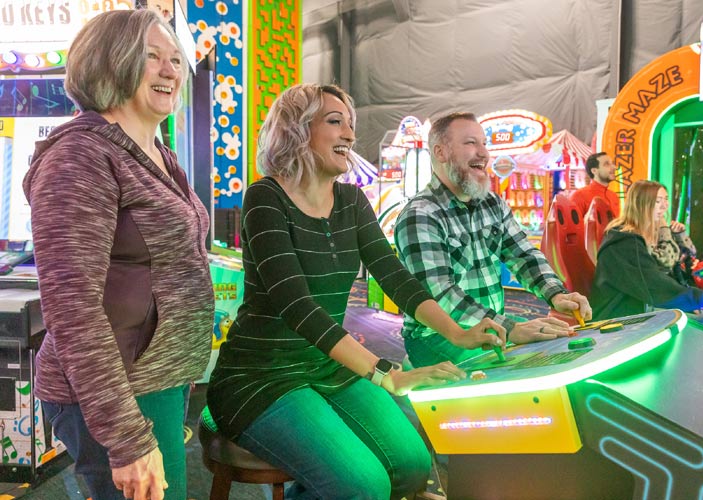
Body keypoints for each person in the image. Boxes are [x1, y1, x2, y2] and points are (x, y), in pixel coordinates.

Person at [206, 84, 507, 500]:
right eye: (335, 122)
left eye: (351, 124)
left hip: (327, 367)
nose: (349, 134)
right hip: (261, 376)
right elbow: (299, 308)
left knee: (414, 467)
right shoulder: (265, 198)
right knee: (365, 487)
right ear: (296, 129)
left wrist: (457, 332)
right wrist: (387, 374)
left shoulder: (350, 199)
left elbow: (394, 276)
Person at [22, 10, 213, 500]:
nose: (171, 70)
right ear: (111, 63)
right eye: (152, 57)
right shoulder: (81, 157)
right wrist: (127, 437)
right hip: (113, 391)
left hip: (156, 380)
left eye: (176, 59)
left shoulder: (156, 153)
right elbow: (72, 309)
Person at [394, 112, 592, 368]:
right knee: (527, 369)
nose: (484, 153)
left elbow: (523, 255)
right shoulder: (420, 215)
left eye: (484, 143)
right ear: (441, 152)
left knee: (554, 352)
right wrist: (510, 329)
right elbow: (440, 295)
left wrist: (556, 294)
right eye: (470, 143)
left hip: (491, 323)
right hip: (436, 336)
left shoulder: (491, 203)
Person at [590, 180, 703, 320]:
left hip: (639, 310)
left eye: (665, 200)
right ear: (641, 204)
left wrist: (694, 301)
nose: (665, 206)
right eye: (658, 201)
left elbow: (672, 270)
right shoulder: (624, 241)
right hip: (618, 319)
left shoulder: (642, 235)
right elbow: (656, 285)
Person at [570, 151, 621, 219]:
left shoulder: (613, 196)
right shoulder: (579, 196)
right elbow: (573, 227)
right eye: (607, 164)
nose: (614, 167)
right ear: (594, 171)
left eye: (612, 164)